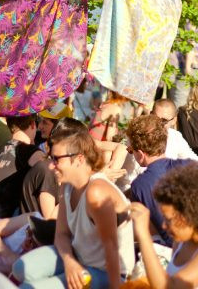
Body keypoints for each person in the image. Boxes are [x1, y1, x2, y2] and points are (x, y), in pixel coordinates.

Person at [13, 118, 134, 288]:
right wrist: (70, 263)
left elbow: (112, 250)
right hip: (79, 257)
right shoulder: (67, 186)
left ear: (79, 159)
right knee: (20, 269)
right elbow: (61, 234)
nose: (50, 166)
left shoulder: (96, 192)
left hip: (107, 271)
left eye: (56, 159)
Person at [127, 115, 190, 247]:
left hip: (173, 249)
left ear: (140, 153)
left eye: (131, 151)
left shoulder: (139, 185)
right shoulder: (188, 165)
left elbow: (146, 230)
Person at [0, 115, 44, 218]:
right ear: (32, 124)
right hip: (10, 222)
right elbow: (50, 169)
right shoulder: (27, 150)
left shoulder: (3, 151)